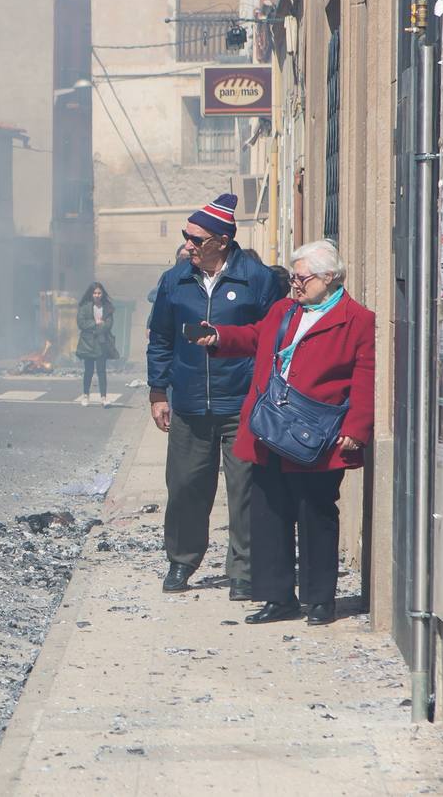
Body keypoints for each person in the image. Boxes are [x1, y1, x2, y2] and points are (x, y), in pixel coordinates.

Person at [195, 239, 375, 626]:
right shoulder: (284, 310)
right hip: (270, 428)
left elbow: (365, 378)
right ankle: (278, 597)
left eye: (302, 278)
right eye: (293, 277)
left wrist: (356, 429)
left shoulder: (358, 319)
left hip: (319, 435)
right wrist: (221, 337)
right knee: (269, 514)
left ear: (330, 278)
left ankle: (320, 599)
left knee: (317, 515)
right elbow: (256, 337)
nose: (295, 284)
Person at [145, 193, 281, 598]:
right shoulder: (175, 281)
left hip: (240, 403)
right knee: (186, 486)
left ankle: (243, 570)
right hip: (188, 403)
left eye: (195, 238)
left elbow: (274, 340)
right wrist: (158, 391)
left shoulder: (256, 279)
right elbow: (161, 339)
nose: (187, 244)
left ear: (221, 241)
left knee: (245, 490)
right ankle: (181, 561)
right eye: (187, 236)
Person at [75, 282, 118, 406]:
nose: (97, 295)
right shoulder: (84, 307)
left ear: (102, 294)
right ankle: (85, 395)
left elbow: (108, 324)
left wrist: (100, 326)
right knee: (88, 370)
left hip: (101, 342)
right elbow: (81, 323)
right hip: (87, 343)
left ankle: (104, 398)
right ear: (91, 294)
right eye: (95, 293)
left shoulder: (108, 307)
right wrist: (96, 323)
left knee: (101, 371)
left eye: (99, 293)